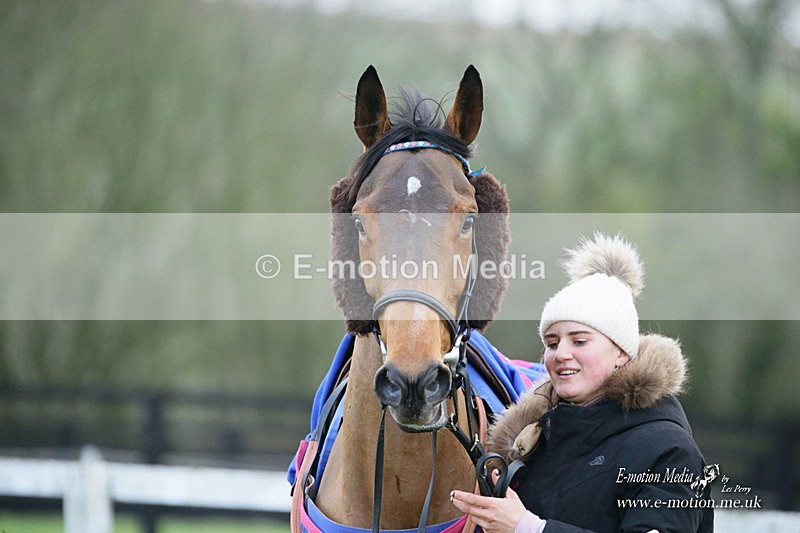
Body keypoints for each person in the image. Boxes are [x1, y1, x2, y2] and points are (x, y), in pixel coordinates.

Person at [451, 232, 714, 532]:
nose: (561, 354)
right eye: (552, 343)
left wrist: (528, 528)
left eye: (579, 340)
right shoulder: (535, 445)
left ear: (621, 353)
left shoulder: (669, 453)